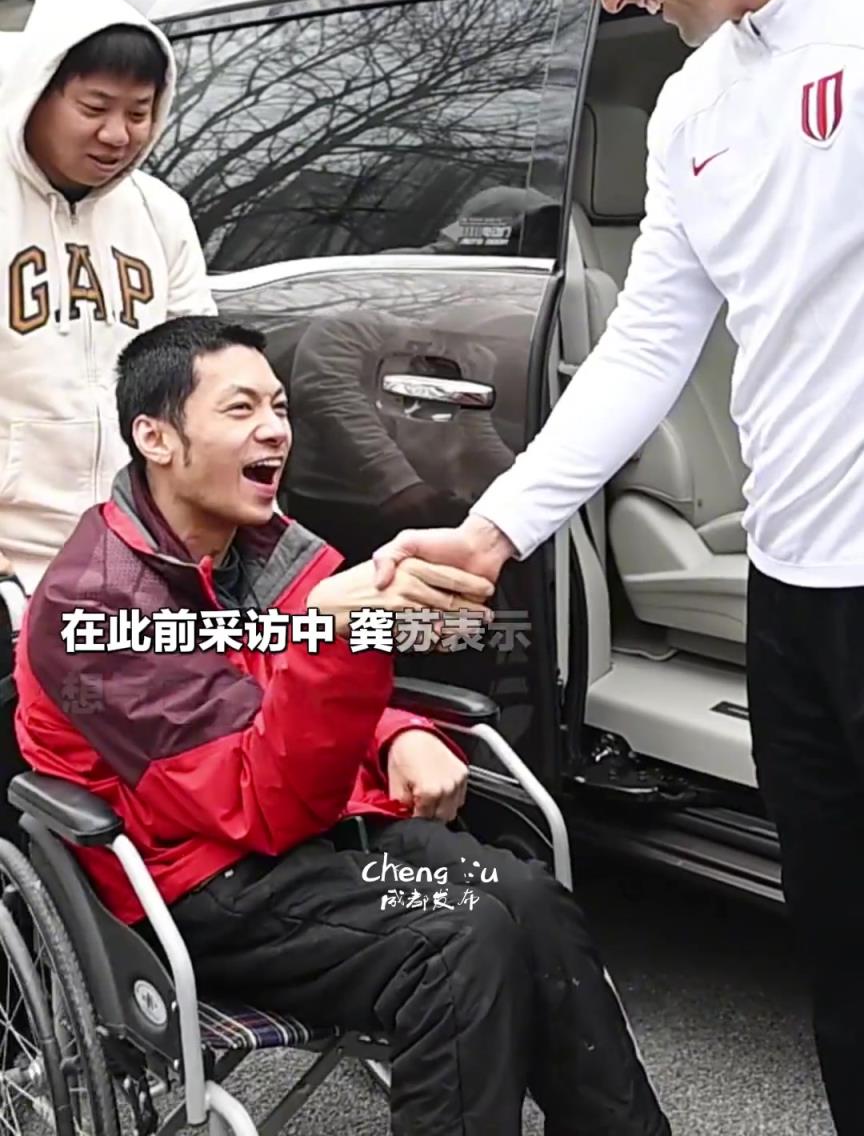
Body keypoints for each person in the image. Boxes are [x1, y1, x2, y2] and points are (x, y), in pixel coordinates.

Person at [372, 0, 864, 1135]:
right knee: (841, 954)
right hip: (795, 591)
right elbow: (646, 346)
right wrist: (496, 528)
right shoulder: (697, 107)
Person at [14, 315, 670, 1136]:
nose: (274, 430)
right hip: (200, 880)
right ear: (156, 437)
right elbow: (258, 801)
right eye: (241, 409)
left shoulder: (271, 550)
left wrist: (400, 730)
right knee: (456, 941)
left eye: (280, 407)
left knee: (530, 899)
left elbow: (289, 691)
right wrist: (331, 630)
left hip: (319, 833)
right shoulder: (96, 604)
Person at [0, 0, 215, 601]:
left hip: (138, 555)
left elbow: (202, 379)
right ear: (36, 93)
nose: (118, 135)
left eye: (139, 112)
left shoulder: (159, 213)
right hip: (15, 562)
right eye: (94, 109)